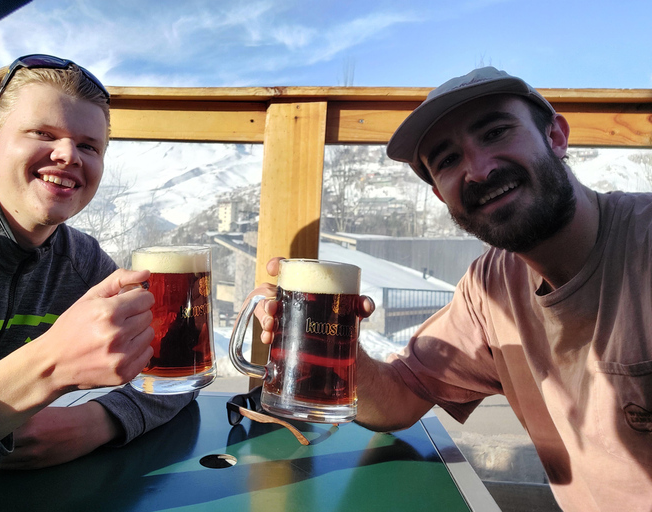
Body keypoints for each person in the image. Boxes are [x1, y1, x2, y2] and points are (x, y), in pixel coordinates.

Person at [254, 67, 652, 511]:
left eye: (497, 132)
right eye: (447, 161)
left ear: (556, 137)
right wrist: (338, 343)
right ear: (443, 197)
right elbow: (398, 401)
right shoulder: (491, 286)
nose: (479, 171)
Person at [0, 54, 194, 511]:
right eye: (43, 134)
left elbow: (181, 368)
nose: (68, 154)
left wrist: (101, 420)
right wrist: (46, 367)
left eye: (89, 146)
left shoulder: (81, 260)